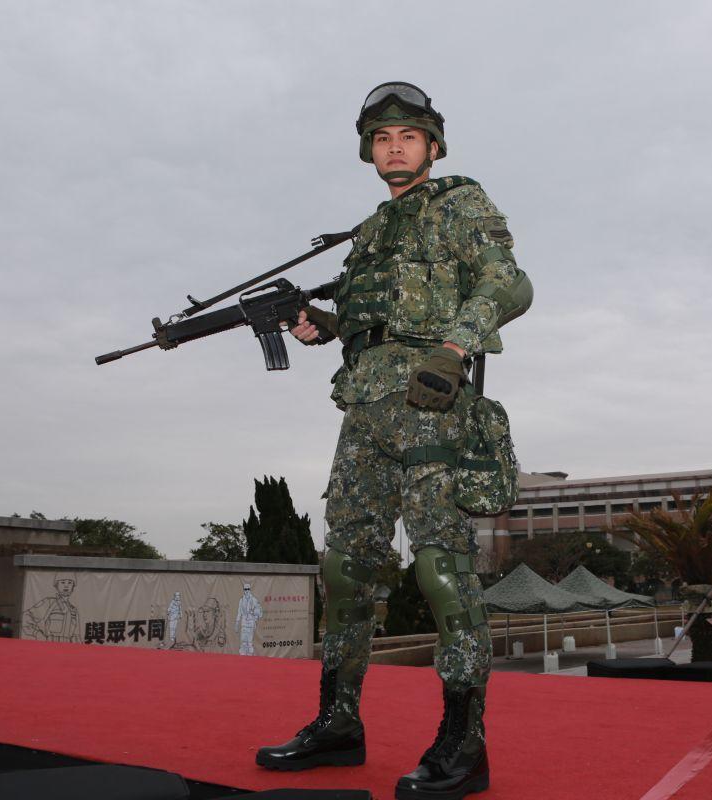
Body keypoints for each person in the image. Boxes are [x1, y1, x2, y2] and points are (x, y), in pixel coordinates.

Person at [256, 82, 531, 800]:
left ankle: (464, 745)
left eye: (408, 136)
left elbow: (510, 284)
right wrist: (322, 325)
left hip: (430, 400)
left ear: (433, 146)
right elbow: (362, 317)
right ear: (367, 152)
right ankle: (338, 722)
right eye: (381, 139)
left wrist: (451, 351)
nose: (394, 148)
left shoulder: (460, 203)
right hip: (367, 409)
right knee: (346, 571)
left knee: (440, 571)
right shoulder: (371, 231)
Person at [235, 582, 263, 655]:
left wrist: (255, 615)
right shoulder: (241, 600)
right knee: (243, 641)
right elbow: (239, 612)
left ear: (250, 590)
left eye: (248, 589)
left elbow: (259, 612)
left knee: (249, 642)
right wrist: (237, 623)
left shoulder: (254, 600)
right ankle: (242, 657)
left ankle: (250, 658)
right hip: (244, 622)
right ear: (243, 590)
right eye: (245, 589)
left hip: (251, 622)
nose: (246, 591)